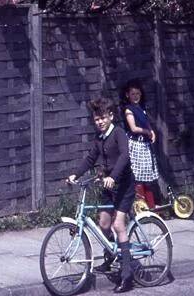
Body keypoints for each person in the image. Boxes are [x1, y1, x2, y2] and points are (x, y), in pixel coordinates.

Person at [67, 97, 135, 293]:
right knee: (104, 224)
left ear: (111, 117)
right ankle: (110, 256)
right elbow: (90, 159)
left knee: (118, 225)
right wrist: (75, 174)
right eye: (96, 119)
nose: (100, 122)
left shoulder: (119, 133)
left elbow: (124, 156)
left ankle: (127, 275)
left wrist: (113, 176)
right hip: (109, 186)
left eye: (103, 118)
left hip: (124, 185)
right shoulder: (99, 139)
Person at [121, 79, 159, 210]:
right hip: (135, 145)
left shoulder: (141, 109)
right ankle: (140, 207)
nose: (136, 96)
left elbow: (146, 123)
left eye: (138, 93)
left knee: (147, 176)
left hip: (144, 145)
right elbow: (133, 128)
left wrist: (152, 131)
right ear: (127, 95)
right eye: (133, 94)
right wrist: (147, 131)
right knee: (137, 176)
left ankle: (151, 207)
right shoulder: (128, 110)